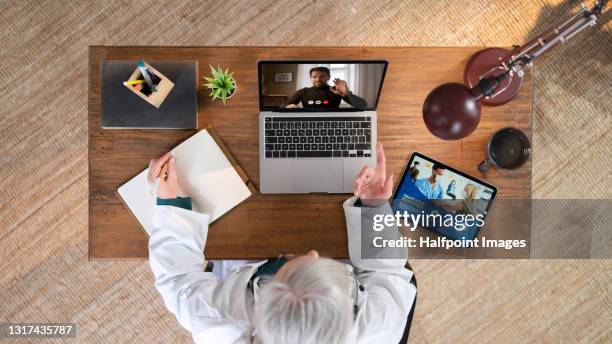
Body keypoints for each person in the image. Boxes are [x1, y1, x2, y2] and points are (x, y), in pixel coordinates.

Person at [147, 144, 416, 344]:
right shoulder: (382, 325)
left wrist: (171, 203)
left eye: (283, 264)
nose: (312, 252)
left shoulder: (216, 321)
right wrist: (372, 207)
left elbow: (176, 279)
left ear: (260, 305)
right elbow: (387, 272)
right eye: (316, 261)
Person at [284, 67, 368, 109]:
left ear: (328, 77)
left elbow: (362, 105)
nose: (318, 79)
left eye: (322, 76)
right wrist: (289, 107)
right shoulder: (303, 92)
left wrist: (346, 93)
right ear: (310, 78)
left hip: (333, 123)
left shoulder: (337, 91)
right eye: (314, 77)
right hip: (308, 122)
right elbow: (284, 105)